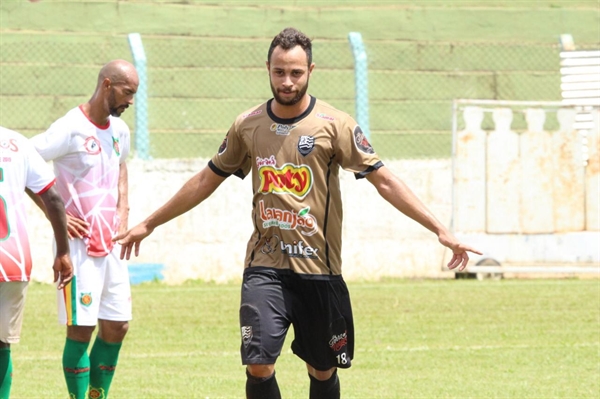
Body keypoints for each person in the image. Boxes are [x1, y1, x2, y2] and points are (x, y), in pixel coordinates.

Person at [114, 28, 481, 399]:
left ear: (311, 70)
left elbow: (383, 180)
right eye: (279, 72)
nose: (287, 82)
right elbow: (207, 179)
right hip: (265, 266)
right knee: (258, 364)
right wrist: (148, 223)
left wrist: (440, 229)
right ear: (268, 69)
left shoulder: (335, 124)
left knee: (321, 371)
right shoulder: (248, 125)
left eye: (295, 73)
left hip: (319, 270)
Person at [29, 59, 138, 399]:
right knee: (81, 329)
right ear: (107, 84)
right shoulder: (70, 127)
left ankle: (97, 396)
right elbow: (25, 163)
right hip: (77, 247)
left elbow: (121, 166)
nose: (131, 101)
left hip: (112, 243)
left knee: (117, 325)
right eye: (127, 92)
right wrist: (53, 213)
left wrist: (123, 207)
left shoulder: (120, 130)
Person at [0, 127, 73, 399]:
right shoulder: (16, 143)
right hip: (13, 260)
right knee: (2, 344)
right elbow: (53, 198)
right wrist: (63, 252)